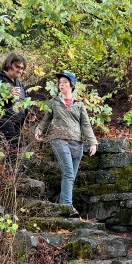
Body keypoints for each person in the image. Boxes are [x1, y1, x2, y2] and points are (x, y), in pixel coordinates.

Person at [35, 71, 97, 215]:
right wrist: (39, 130)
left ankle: (62, 207)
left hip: (77, 143)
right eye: (60, 82)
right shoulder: (54, 102)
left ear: (71, 85)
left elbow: (86, 125)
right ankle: (68, 206)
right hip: (59, 140)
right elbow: (46, 120)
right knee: (69, 173)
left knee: (70, 176)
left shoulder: (79, 105)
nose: (61, 85)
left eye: (64, 82)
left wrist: (92, 142)